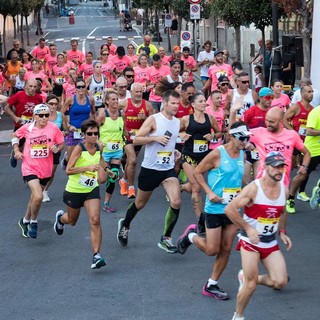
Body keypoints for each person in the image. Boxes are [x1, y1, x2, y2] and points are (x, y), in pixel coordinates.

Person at [177, 122, 248, 300]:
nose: (245, 142)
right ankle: (191, 236)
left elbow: (242, 180)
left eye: (247, 138)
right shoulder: (217, 153)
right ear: (232, 136)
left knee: (226, 249)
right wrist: (209, 192)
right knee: (212, 250)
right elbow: (198, 172)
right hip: (215, 208)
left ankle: (211, 284)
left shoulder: (243, 154)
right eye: (242, 138)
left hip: (232, 210)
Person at [225, 151, 292, 320]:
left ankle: (245, 276)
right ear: (266, 167)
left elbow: (283, 212)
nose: (279, 170)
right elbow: (230, 209)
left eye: (282, 166)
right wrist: (248, 228)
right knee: (250, 285)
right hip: (250, 242)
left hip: (270, 242)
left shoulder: (284, 189)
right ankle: (238, 316)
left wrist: (282, 232)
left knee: (280, 282)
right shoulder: (253, 189)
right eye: (275, 166)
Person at [117, 90, 182, 253]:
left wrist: (174, 151)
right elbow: (137, 139)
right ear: (165, 103)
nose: (176, 106)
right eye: (173, 103)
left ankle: (166, 238)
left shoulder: (177, 122)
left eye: (177, 103)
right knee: (139, 204)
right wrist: (154, 138)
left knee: (176, 201)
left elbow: (170, 142)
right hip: (150, 169)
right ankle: (125, 223)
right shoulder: (154, 120)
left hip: (167, 169)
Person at [54, 119, 113, 269]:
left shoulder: (99, 147)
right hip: (74, 190)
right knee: (72, 221)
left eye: (96, 133)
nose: (93, 136)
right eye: (90, 134)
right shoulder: (79, 149)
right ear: (84, 135)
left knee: (95, 220)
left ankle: (96, 256)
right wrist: (87, 167)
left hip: (91, 189)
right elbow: (68, 170)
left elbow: (100, 160)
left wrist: (107, 170)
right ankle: (61, 219)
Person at [13, 104, 64, 238]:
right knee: (39, 196)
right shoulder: (28, 127)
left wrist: (57, 149)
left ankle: (25, 221)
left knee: (35, 198)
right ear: (34, 116)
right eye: (40, 115)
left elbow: (61, 142)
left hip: (45, 168)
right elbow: (15, 135)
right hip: (29, 167)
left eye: (46, 115)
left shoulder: (53, 128)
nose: (44, 118)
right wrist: (16, 150)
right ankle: (34, 222)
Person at [180, 92, 222, 233]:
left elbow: (219, 132)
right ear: (193, 104)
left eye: (205, 101)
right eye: (201, 101)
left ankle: (182, 187)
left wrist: (213, 136)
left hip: (204, 157)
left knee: (192, 186)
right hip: (189, 156)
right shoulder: (186, 119)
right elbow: (175, 131)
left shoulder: (210, 118)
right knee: (196, 187)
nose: (204, 103)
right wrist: (181, 135)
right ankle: (200, 220)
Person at [119, 83, 153, 198]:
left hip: (139, 137)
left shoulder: (147, 105)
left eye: (140, 92)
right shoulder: (124, 103)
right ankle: (131, 188)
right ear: (131, 92)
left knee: (130, 161)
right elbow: (112, 111)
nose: (139, 94)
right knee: (133, 161)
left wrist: (146, 119)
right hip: (127, 136)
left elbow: (155, 122)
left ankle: (123, 180)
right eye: (136, 92)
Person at [5, 79, 43, 167]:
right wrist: (15, 117)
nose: (32, 88)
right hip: (20, 125)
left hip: (33, 126)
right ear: (25, 86)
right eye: (30, 86)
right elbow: (7, 107)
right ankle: (15, 154)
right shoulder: (18, 95)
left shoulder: (39, 97)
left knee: (31, 147)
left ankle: (31, 166)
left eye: (34, 86)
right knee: (20, 146)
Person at [61, 78, 95, 169]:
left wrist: (93, 127)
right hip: (73, 131)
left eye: (83, 87)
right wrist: (68, 125)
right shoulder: (70, 100)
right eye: (78, 87)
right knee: (70, 159)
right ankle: (66, 158)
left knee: (83, 156)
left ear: (85, 87)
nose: (81, 89)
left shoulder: (90, 99)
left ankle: (78, 177)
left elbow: (93, 113)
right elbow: (61, 114)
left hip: (85, 132)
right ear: (75, 88)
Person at [99, 90, 124, 213]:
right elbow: (93, 129)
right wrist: (97, 143)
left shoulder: (121, 114)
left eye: (116, 99)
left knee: (113, 175)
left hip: (117, 151)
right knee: (102, 179)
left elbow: (123, 129)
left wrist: (128, 134)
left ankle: (106, 203)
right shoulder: (103, 114)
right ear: (107, 101)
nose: (115, 101)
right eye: (113, 99)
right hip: (104, 151)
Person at [42, 95, 65, 202]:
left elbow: (65, 129)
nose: (53, 106)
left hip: (56, 147)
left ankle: (45, 191)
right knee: (41, 171)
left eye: (55, 104)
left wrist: (65, 131)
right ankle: (39, 189)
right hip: (42, 147)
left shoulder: (60, 115)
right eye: (51, 104)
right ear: (46, 104)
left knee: (51, 172)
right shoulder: (41, 115)